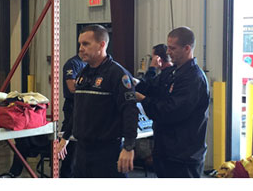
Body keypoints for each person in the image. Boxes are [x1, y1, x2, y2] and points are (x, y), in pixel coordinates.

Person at [58, 25, 138, 178]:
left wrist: (129, 146)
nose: (81, 48)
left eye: (86, 44)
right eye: (80, 44)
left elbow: (130, 110)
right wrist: (66, 136)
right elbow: (78, 110)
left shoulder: (117, 74)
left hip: (107, 153)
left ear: (102, 45)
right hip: (82, 152)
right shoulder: (82, 74)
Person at [135, 27, 210, 178]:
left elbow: (170, 111)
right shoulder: (170, 73)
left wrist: (142, 99)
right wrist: (132, 82)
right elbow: (151, 88)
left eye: (172, 48)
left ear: (187, 48)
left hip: (183, 156)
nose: (168, 52)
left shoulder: (193, 79)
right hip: (165, 150)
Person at [59, 54, 86, 177]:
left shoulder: (90, 65)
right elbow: (71, 87)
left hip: (86, 106)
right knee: (71, 148)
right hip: (73, 105)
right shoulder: (73, 63)